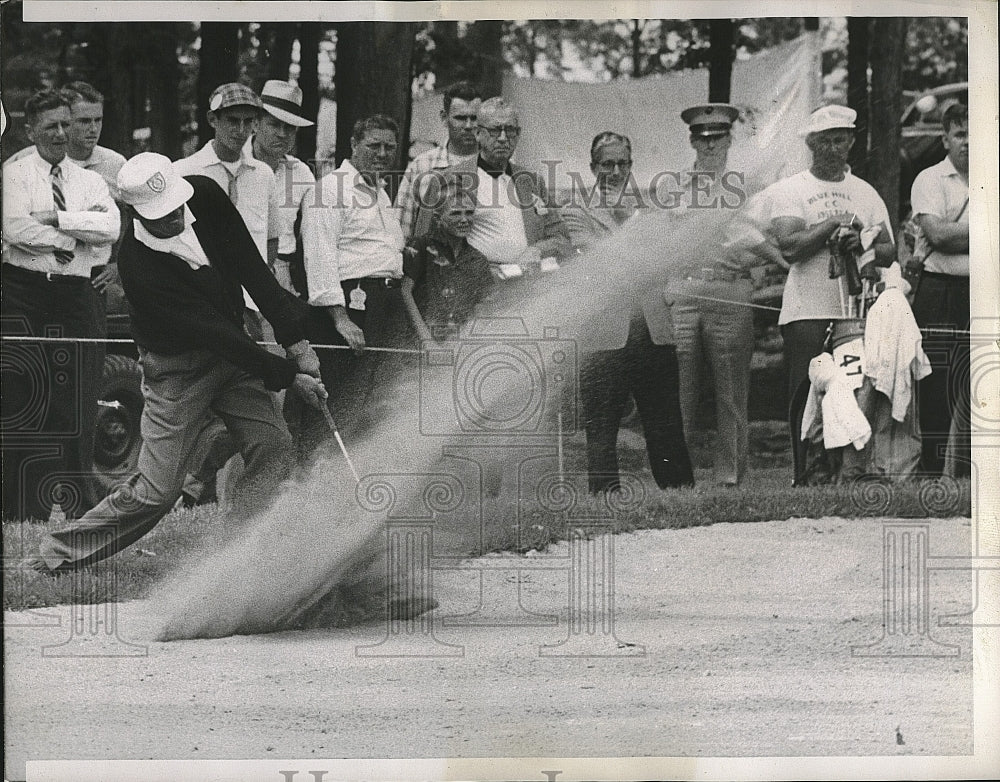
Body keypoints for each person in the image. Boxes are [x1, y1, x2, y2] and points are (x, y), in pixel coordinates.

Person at [21, 152, 328, 575]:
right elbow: (213, 333)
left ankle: (239, 557)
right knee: (157, 492)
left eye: (176, 207)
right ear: (133, 212)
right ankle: (57, 552)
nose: (175, 219)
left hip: (236, 355)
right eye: (160, 216)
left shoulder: (204, 195)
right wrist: (289, 376)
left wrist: (296, 341)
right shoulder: (139, 267)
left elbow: (252, 269)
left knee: (272, 446)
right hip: (177, 373)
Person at [2, 88, 121, 521]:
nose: (60, 133)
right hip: (24, 291)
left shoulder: (89, 180)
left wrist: (57, 219)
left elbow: (110, 226)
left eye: (65, 124)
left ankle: (79, 508)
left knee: (79, 396)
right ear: (30, 129)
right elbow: (16, 229)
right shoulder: (15, 174)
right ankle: (21, 509)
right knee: (24, 394)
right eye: (50, 125)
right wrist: (75, 236)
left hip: (77, 295)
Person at [767, 105, 895, 484]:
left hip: (853, 308)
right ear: (811, 144)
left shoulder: (864, 192)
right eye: (825, 141)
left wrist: (861, 240)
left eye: (841, 139)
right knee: (804, 389)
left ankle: (844, 469)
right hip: (806, 307)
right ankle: (802, 471)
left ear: (852, 142)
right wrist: (831, 224)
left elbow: (889, 249)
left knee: (853, 385)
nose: (834, 148)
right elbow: (789, 247)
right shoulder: (793, 189)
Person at [560, 131, 694, 493]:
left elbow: (670, 254)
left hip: (653, 327)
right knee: (602, 424)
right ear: (593, 167)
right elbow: (595, 255)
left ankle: (678, 492)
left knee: (664, 420)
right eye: (607, 164)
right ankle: (605, 494)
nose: (616, 171)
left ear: (632, 165)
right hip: (604, 334)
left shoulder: (651, 206)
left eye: (623, 163)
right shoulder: (575, 208)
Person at [299, 114, 404, 453]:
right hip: (347, 307)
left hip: (384, 303)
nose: (382, 154)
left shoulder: (381, 193)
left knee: (374, 399)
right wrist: (340, 318)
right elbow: (319, 256)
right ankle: (312, 484)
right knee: (341, 397)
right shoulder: (329, 190)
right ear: (354, 145)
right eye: (374, 145)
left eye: (390, 147)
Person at [668, 104, 758, 487]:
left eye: (718, 137)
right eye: (702, 138)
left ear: (729, 139)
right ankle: (676, 474)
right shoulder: (673, 187)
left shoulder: (747, 187)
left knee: (731, 387)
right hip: (686, 289)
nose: (710, 146)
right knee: (679, 389)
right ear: (692, 140)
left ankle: (729, 475)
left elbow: (761, 240)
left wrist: (744, 257)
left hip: (728, 288)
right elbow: (660, 241)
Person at [7, 82, 127, 295]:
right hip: (31, 277)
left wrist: (117, 263)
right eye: (83, 121)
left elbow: (123, 221)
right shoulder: (21, 163)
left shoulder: (115, 164)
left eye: (98, 120)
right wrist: (85, 226)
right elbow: (15, 227)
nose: (93, 129)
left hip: (93, 276)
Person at [909, 102, 970, 477]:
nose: (969, 143)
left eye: (976, 135)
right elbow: (939, 236)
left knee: (982, 379)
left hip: (985, 290)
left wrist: (958, 233)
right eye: (961, 134)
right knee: (938, 383)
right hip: (940, 290)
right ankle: (932, 470)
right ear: (945, 138)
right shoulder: (929, 179)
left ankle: (970, 472)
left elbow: (951, 233)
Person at [462, 97, 570, 279]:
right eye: (495, 130)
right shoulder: (456, 179)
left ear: (518, 134)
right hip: (477, 285)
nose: (503, 138)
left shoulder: (532, 181)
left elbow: (561, 237)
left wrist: (537, 250)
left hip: (527, 283)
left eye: (510, 130)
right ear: (478, 133)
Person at [400, 172, 491, 343]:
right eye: (456, 213)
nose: (464, 220)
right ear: (437, 218)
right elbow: (405, 292)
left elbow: (483, 306)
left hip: (460, 343)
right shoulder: (420, 246)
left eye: (469, 213)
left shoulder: (478, 260)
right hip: (420, 342)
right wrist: (426, 340)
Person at [249, 79, 316, 298]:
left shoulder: (301, 173)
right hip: (239, 267)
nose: (282, 133)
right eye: (274, 124)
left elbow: (315, 228)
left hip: (282, 272)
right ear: (256, 124)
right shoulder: (235, 166)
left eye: (289, 127)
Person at [395, 80, 482, 240]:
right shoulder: (422, 166)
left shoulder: (493, 168)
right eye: (461, 118)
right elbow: (402, 230)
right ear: (444, 118)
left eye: (474, 118)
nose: (469, 126)